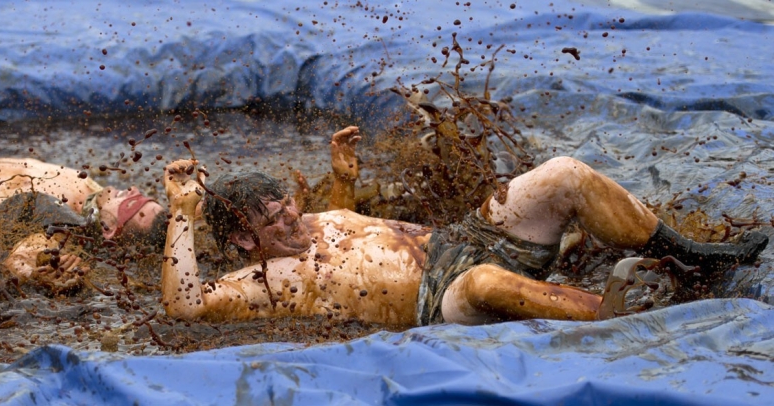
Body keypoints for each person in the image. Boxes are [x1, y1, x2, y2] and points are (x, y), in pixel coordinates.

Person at [159, 126, 768, 326]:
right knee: (482, 283)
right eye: (272, 218)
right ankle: (620, 311)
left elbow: (341, 217)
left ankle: (696, 256)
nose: (290, 214)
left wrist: (340, 178)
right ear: (243, 239)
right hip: (438, 299)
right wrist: (181, 215)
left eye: (285, 203)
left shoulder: (308, 216)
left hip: (463, 238)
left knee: (563, 173)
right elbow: (183, 307)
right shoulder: (263, 282)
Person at [0, 156, 168, 289]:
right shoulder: (92, 193)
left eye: (134, 203)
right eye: (142, 195)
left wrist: (34, 273)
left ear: (109, 229)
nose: (133, 190)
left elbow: (22, 258)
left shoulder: (61, 226)